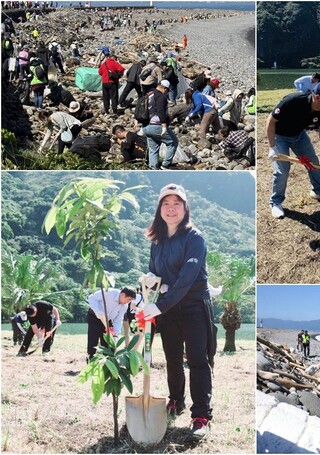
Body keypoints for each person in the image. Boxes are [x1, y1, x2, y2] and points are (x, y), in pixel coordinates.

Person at [142, 183, 217, 440]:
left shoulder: (195, 238)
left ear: (185, 209)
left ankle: (200, 415)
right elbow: (156, 272)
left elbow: (186, 281)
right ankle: (175, 400)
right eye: (166, 204)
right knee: (172, 359)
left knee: (197, 360)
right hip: (168, 309)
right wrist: (151, 280)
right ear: (159, 209)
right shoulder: (157, 241)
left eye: (176, 204)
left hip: (194, 306)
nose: (171, 209)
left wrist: (158, 305)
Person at [266, 81, 320, 219]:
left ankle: (319, 191)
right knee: (283, 170)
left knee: (313, 162)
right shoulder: (292, 101)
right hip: (280, 136)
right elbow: (271, 121)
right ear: (317, 97)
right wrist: (272, 147)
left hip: (299, 135)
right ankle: (275, 202)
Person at [87, 287, 136, 360]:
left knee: (108, 342)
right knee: (93, 338)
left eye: (130, 300)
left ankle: (108, 360)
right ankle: (91, 358)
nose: (128, 302)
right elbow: (91, 298)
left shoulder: (124, 306)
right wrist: (98, 312)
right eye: (128, 299)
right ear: (122, 295)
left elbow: (118, 321)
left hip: (108, 321)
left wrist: (115, 335)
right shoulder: (109, 292)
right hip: (95, 317)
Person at [142, 80, 179, 169]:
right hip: (157, 125)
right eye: (167, 90)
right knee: (173, 142)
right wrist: (164, 125)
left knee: (153, 150)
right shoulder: (161, 97)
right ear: (164, 88)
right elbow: (160, 111)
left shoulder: (149, 95)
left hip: (147, 126)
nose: (167, 92)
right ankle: (165, 165)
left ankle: (153, 169)